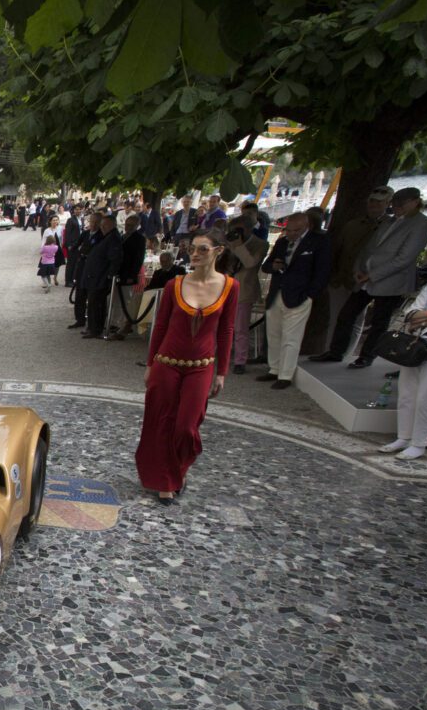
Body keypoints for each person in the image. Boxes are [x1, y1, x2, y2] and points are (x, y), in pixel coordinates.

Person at [135, 227, 238, 504]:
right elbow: (161, 326)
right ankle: (165, 480)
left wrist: (222, 372)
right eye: (192, 249)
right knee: (161, 422)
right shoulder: (175, 285)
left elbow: (226, 330)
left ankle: (178, 470)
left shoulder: (230, 286)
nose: (195, 254)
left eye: (203, 249)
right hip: (166, 363)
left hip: (201, 366)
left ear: (218, 251)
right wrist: (150, 364)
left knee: (186, 426)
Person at [322, 187, 427, 369]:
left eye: (401, 205)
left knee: (379, 321)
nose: (396, 208)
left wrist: (372, 275)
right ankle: (336, 352)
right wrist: (359, 269)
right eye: (394, 204)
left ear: (415, 202)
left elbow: (404, 258)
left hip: (391, 281)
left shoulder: (422, 223)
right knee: (346, 315)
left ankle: (367, 356)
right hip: (365, 277)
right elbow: (368, 247)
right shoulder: (388, 221)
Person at [312, 186, 393, 364]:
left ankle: (347, 354)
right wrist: (333, 275)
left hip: (370, 280)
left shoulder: (391, 227)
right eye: (372, 201)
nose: (374, 205)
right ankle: (333, 351)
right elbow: (338, 251)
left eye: (379, 202)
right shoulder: (353, 225)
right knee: (339, 317)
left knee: (357, 320)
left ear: (388, 203)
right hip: (344, 277)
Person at [258, 213, 330, 390]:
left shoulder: (318, 242)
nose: (290, 234)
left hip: (300, 295)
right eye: (288, 230)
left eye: (295, 231)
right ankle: (274, 368)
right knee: (273, 334)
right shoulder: (282, 242)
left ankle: (285, 375)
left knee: (291, 337)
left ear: (306, 227)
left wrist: (310, 295)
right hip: (277, 293)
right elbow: (266, 266)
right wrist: (274, 266)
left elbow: (322, 272)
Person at [377, 277, 427, 460]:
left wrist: (424, 319)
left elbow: (418, 317)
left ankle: (419, 443)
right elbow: (410, 314)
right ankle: (403, 437)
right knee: (407, 393)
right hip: (416, 345)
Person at [220, 217, 267, 374]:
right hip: (225, 287)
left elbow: (250, 263)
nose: (235, 233)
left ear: (248, 229)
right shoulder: (230, 242)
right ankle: (217, 355)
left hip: (244, 290)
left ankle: (240, 361)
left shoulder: (260, 244)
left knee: (240, 328)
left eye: (238, 230)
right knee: (219, 324)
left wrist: (239, 245)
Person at [106, 214, 146, 339]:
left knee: (126, 300)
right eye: (127, 224)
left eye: (131, 225)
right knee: (115, 299)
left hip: (128, 274)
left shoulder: (139, 239)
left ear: (137, 225)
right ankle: (114, 322)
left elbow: (138, 259)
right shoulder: (122, 236)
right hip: (119, 272)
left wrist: (132, 275)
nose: (128, 227)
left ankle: (123, 324)